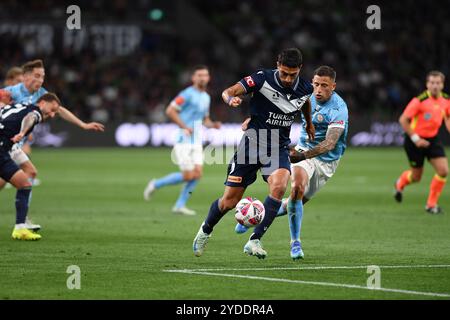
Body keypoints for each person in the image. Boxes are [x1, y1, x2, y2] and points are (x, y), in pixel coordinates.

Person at [193, 48, 315, 259]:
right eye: (284, 73)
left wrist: (309, 123)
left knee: (278, 187)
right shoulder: (261, 78)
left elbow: (305, 102)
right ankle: (205, 230)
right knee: (229, 202)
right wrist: (230, 99)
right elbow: (228, 91)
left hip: (278, 147)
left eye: (292, 75)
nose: (287, 78)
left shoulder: (305, 88)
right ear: (278, 65)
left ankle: (254, 240)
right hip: (251, 144)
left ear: (300, 70)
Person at [234, 66, 349, 260]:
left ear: (333, 86)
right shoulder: (305, 95)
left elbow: (329, 144)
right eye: (316, 84)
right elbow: (274, 109)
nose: (318, 89)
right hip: (303, 150)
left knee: (292, 204)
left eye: (324, 86)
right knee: (296, 188)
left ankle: (254, 215)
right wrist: (253, 120)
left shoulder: (339, 108)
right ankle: (295, 243)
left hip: (326, 161)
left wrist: (303, 157)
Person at [0, 59, 105, 230]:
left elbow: (59, 109)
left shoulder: (41, 94)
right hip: (6, 142)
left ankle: (22, 218)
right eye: (37, 76)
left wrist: (83, 124)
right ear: (25, 77)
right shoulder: (12, 91)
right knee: (10, 180)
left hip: (15, 145)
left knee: (30, 172)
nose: (41, 80)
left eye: (42, 76)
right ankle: (22, 219)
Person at [143, 65, 221, 215]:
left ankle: (179, 205)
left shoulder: (206, 97)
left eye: (205, 75)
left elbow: (205, 119)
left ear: (209, 78)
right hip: (183, 139)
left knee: (197, 174)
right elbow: (170, 110)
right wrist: (184, 126)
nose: (202, 78)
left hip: (196, 140)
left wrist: (213, 125)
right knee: (188, 175)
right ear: (193, 78)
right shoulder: (186, 94)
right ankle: (155, 184)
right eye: (199, 75)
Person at [0, 93, 61, 240]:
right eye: (52, 109)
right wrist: (22, 132)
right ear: (42, 103)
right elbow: (31, 118)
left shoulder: (16, 106)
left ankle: (21, 226)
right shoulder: (35, 112)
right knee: (24, 184)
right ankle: (20, 228)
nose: (52, 115)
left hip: (5, 149)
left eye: (55, 112)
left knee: (26, 179)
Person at [394, 71, 450, 214]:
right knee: (416, 177)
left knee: (443, 171)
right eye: (432, 83)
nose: (435, 86)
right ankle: (401, 182)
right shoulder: (419, 100)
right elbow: (403, 120)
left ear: (442, 85)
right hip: (414, 141)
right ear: (427, 84)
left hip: (432, 140)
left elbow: (447, 117)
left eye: (438, 83)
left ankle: (431, 205)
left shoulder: (446, 100)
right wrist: (416, 139)